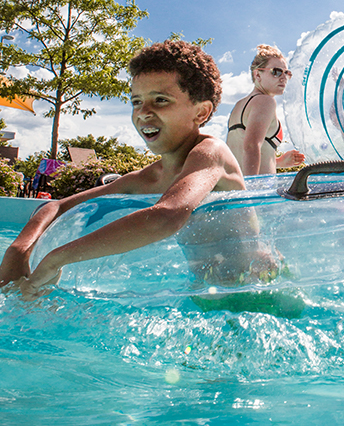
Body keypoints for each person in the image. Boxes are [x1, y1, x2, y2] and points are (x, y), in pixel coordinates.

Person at [0, 40, 271, 300]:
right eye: (136, 101)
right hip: (207, 291)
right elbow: (55, 207)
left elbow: (166, 216)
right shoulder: (150, 177)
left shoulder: (211, 153)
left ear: (201, 113)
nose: (143, 112)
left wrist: (57, 258)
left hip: (256, 286)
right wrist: (18, 249)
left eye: (161, 100)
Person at [226, 44, 305, 175]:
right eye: (276, 71)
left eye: (287, 73)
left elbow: (239, 154)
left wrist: (279, 162)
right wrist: (251, 190)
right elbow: (251, 146)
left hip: (234, 188)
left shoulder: (239, 105)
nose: (283, 77)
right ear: (257, 75)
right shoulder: (265, 101)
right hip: (254, 190)